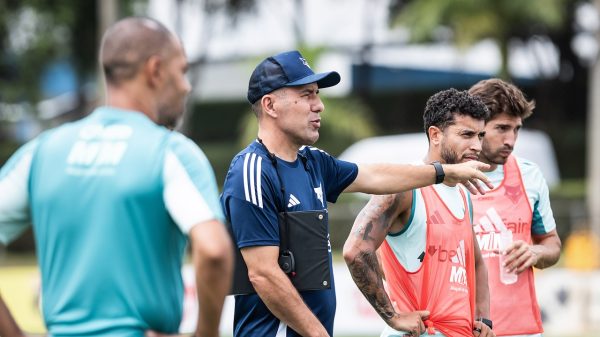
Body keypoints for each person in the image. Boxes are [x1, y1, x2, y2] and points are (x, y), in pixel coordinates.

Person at [220, 50, 494, 337]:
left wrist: (442, 173)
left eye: (317, 94)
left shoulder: (313, 161)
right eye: (307, 95)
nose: (319, 105)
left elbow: (375, 175)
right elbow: (263, 274)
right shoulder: (251, 170)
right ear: (270, 105)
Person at [0, 17, 233, 337]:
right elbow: (214, 250)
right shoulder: (170, 151)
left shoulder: (42, 151)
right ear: (155, 70)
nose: (186, 86)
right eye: (182, 71)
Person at [343, 88, 496, 337]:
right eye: (466, 134)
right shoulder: (404, 188)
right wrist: (393, 317)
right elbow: (355, 250)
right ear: (435, 135)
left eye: (480, 135)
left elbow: (476, 262)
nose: (477, 145)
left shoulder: (463, 193)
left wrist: (484, 319)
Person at [468, 79, 561, 337]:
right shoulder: (444, 181)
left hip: (522, 330)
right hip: (461, 329)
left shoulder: (530, 176)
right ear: (476, 126)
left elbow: (552, 244)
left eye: (516, 129)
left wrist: (535, 252)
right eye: (502, 128)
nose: (511, 140)